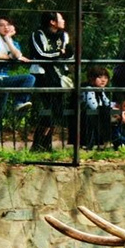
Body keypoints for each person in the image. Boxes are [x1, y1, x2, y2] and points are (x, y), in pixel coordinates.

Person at [0, 16, 35, 145]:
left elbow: (17, 54)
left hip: (3, 78)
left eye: (8, 24)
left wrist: (8, 39)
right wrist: (12, 58)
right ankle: (19, 102)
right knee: (29, 78)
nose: (6, 27)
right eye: (2, 25)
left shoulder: (12, 42)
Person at [29, 11, 72, 151]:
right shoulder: (38, 34)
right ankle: (38, 144)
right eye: (61, 18)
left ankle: (46, 144)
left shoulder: (64, 35)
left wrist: (61, 55)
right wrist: (59, 53)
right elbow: (41, 54)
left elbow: (68, 53)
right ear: (52, 22)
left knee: (56, 111)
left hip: (58, 75)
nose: (64, 20)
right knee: (48, 110)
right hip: (42, 75)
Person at [79, 65, 113, 149]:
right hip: (85, 119)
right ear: (91, 78)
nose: (103, 80)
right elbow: (93, 106)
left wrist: (121, 106)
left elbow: (107, 102)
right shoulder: (88, 89)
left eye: (105, 77)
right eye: (100, 77)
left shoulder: (100, 90)